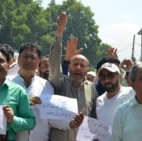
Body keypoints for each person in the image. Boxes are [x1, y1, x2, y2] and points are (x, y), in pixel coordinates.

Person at [48, 12, 96, 141]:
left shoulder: (91, 88)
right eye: (75, 64)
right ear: (69, 67)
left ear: (87, 69)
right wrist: (59, 33)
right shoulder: (60, 82)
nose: (78, 68)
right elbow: (53, 63)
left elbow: (93, 117)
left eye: (82, 65)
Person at [96, 62, 134, 132]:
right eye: (103, 77)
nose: (106, 80)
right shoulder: (99, 100)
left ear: (119, 76)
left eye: (111, 76)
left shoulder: (131, 93)